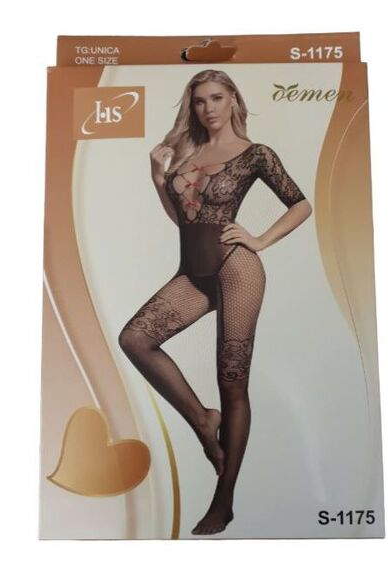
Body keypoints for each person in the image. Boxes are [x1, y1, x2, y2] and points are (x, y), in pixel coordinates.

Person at [118, 69, 313, 535]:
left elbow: (301, 204)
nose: (208, 108)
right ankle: (204, 421)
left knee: (232, 382)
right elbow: (183, 222)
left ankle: (223, 500)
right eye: (200, 100)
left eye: (217, 98)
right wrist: (158, 178)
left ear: (233, 101)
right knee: (135, 339)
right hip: (193, 273)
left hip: (235, 269)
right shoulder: (186, 155)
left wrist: (259, 240)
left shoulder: (255, 154)